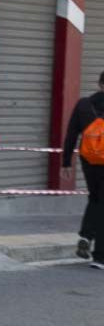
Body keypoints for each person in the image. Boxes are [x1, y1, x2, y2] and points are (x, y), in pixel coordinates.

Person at [61, 71, 104, 270]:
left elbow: (71, 134)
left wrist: (66, 163)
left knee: (95, 198)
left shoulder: (84, 104)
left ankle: (86, 235)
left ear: (99, 83)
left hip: (89, 160)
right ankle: (100, 257)